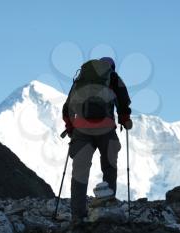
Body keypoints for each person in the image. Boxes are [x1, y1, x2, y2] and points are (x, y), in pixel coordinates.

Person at [62, 57, 132, 224]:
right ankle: (107, 210)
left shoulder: (81, 79)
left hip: (81, 129)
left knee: (80, 171)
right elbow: (123, 101)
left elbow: (67, 107)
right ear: (112, 68)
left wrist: (71, 128)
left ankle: (77, 216)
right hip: (105, 128)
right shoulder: (113, 77)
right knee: (109, 167)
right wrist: (125, 119)